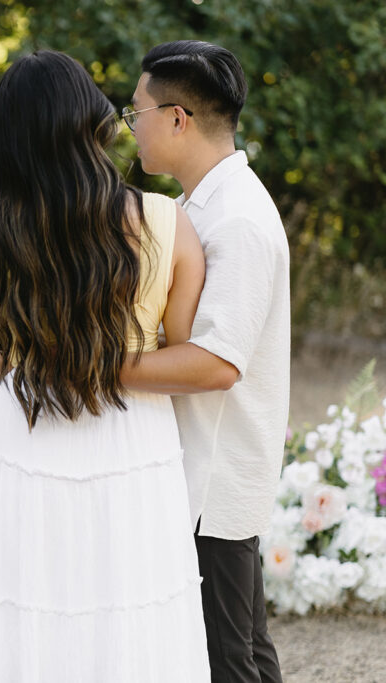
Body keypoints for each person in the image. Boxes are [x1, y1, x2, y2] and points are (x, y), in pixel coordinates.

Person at [0, 50, 210, 681]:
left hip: (30, 434)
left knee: (31, 613)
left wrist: (35, 355)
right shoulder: (165, 220)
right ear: (91, 121)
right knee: (134, 612)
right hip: (132, 439)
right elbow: (179, 354)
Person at [120, 40, 290, 683]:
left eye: (136, 111)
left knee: (227, 662)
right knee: (244, 651)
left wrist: (94, 366)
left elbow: (218, 363)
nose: (131, 125)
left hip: (215, 476)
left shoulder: (237, 219)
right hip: (202, 468)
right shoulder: (201, 206)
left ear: (177, 118)